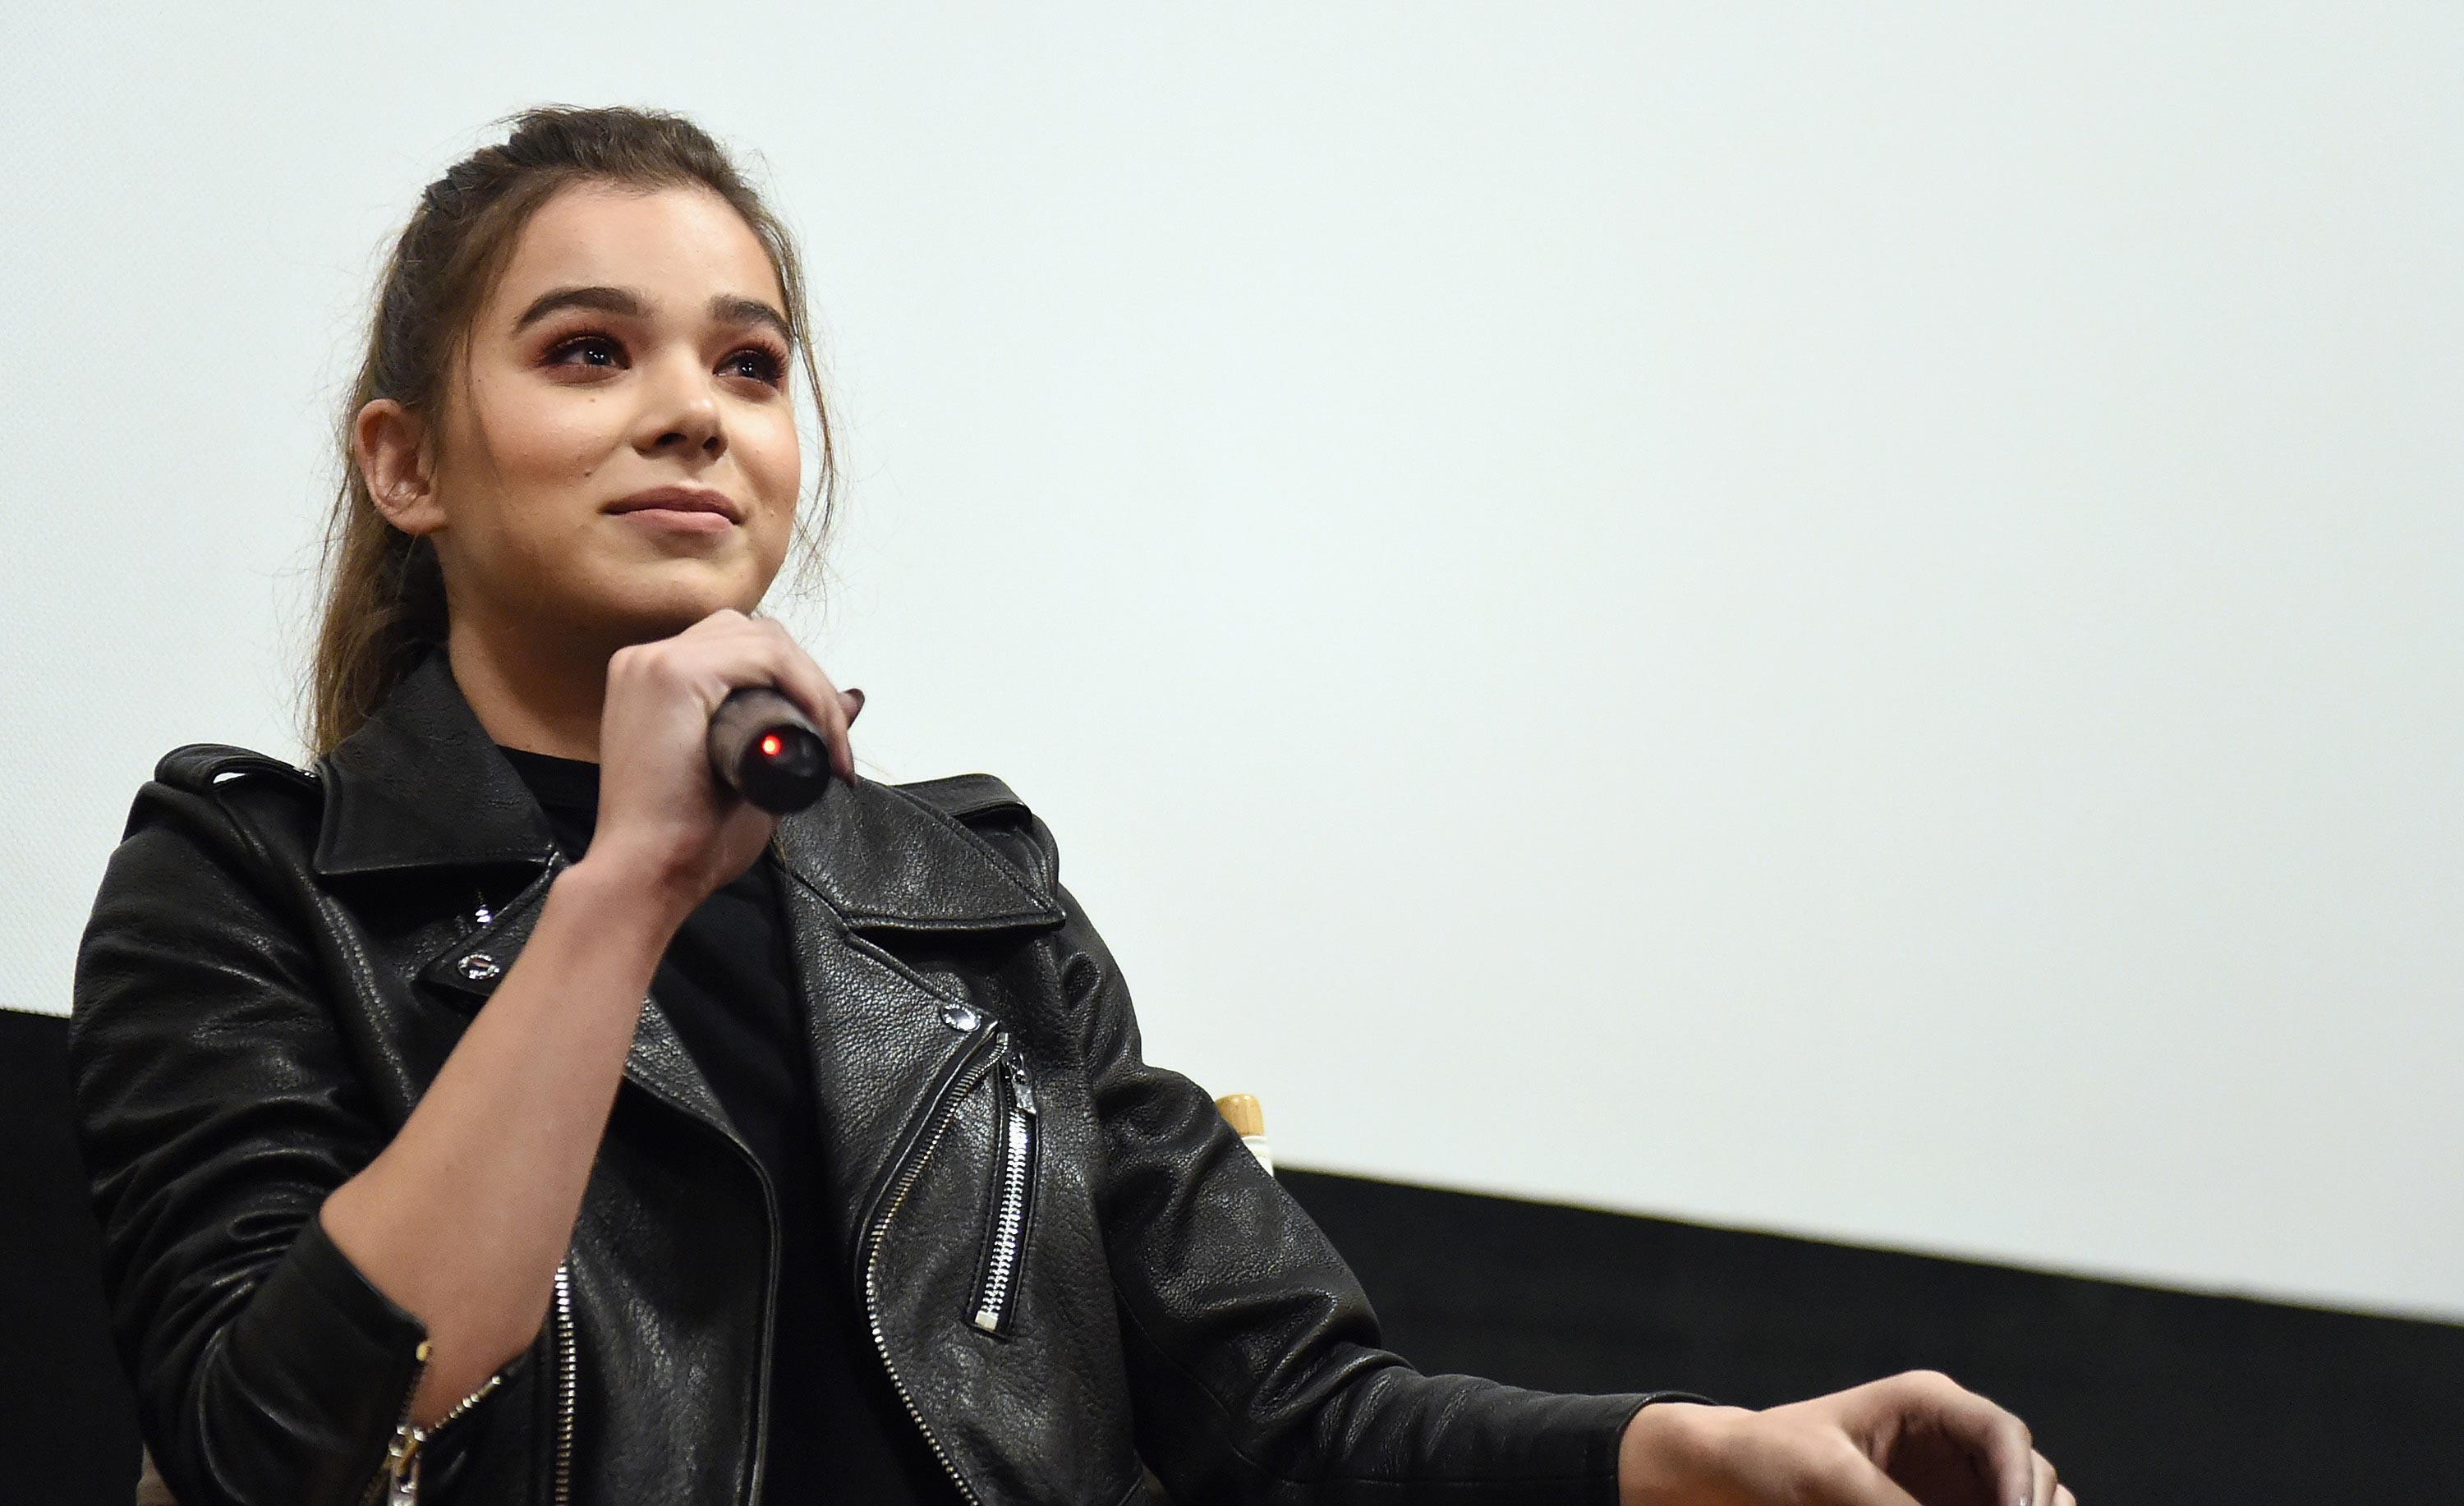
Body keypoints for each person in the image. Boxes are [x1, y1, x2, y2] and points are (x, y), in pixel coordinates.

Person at [67, 106, 2072, 1506]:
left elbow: (1294, 1421)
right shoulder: (253, 883)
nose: (692, 406)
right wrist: (620, 896)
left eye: (749, 364)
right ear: (408, 464)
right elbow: (285, 1453)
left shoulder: (971, 903)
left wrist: (1697, 1449)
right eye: (588, 352)